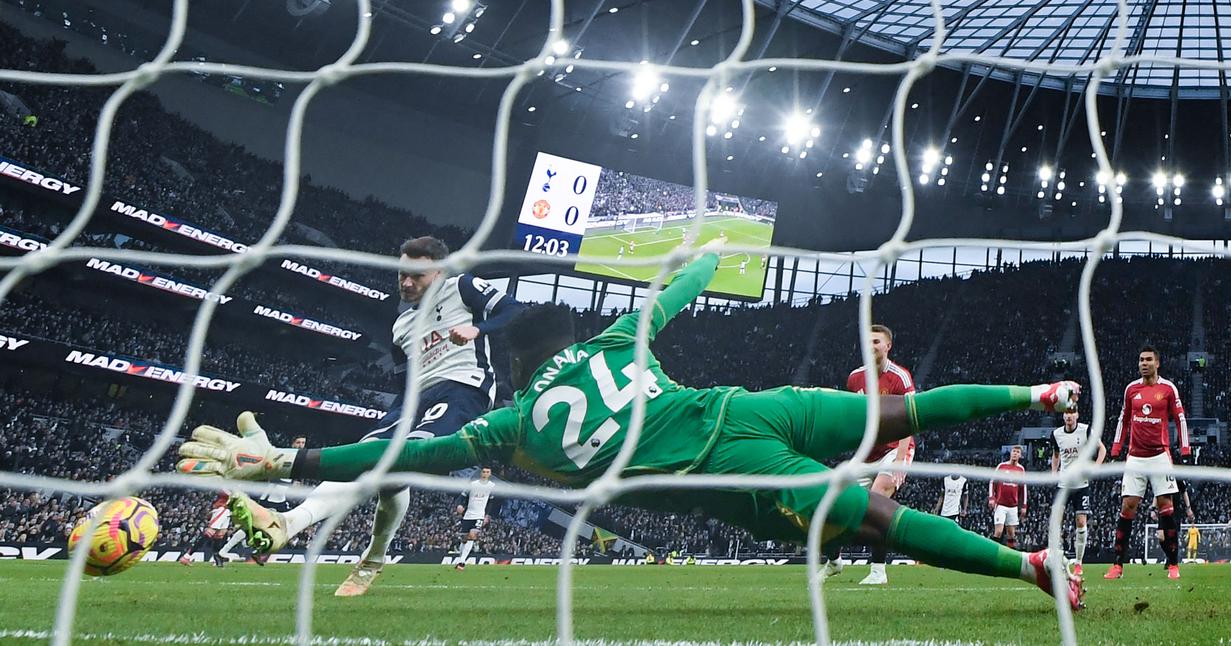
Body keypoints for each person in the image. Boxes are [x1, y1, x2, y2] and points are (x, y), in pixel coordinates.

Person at [178, 246, 1084, 609]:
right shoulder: (614, 335)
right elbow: (671, 296)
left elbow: (400, 454)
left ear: (519, 363)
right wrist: (712, 252)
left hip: (730, 471)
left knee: (871, 520)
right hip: (750, 404)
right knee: (904, 409)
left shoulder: (510, 426)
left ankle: (1030, 567)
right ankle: (1038, 394)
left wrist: (292, 458)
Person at [225, 236, 523, 596]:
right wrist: (396, 415)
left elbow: (514, 310)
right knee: (370, 464)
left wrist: (479, 328)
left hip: (464, 387)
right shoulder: (401, 326)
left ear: (439, 271)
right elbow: (404, 379)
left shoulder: (462, 286)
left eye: (418, 275)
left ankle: (316, 516)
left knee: (400, 458)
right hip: (413, 400)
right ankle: (291, 526)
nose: (407, 282)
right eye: (403, 275)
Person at [822, 324, 916, 586]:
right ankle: (834, 561)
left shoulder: (900, 377)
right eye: (867, 341)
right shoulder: (855, 378)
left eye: (876, 341)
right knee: (832, 503)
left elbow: (911, 419)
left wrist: (899, 458)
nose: (871, 345)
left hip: (895, 449)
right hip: (867, 453)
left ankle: (878, 571)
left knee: (876, 501)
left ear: (887, 346)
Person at [1104, 346, 1189, 581]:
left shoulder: (1168, 388)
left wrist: (1185, 449)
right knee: (1127, 506)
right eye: (1141, 359)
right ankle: (1117, 566)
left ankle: (1173, 565)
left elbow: (1180, 419)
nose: (1144, 363)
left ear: (1157, 363)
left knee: (1166, 507)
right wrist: (1115, 448)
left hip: (1160, 456)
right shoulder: (1131, 389)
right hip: (1135, 457)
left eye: (1148, 360)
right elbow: (1124, 419)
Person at [217, 435, 307, 565]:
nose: (300, 445)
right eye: (298, 442)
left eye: (303, 442)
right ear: (292, 443)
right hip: (269, 498)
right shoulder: (284, 455)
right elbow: (271, 472)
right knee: (255, 526)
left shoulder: (300, 460)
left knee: (280, 527)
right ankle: (224, 552)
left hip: (280, 500)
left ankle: (257, 552)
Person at [1049, 408, 1106, 576]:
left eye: (1072, 413)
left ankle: (1079, 563)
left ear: (1077, 415)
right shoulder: (1056, 434)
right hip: (1063, 484)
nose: (1069, 416)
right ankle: (1055, 558)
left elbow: (1102, 449)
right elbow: (1056, 455)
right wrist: (1054, 472)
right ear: (1063, 416)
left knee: (1081, 522)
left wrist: (1096, 467)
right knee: (1056, 521)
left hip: (1082, 485)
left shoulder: (1086, 430)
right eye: (1066, 413)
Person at [453, 467, 495, 570]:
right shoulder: (473, 485)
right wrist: (459, 505)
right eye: (484, 472)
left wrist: (487, 515)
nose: (485, 474)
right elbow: (462, 496)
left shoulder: (492, 486)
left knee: (472, 536)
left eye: (487, 472)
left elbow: (491, 502)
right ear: (481, 473)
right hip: (468, 514)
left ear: (490, 474)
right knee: (464, 539)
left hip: (479, 515)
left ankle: (462, 562)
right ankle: (460, 559)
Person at [989, 446, 1027, 549]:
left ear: (1020, 455)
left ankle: (1011, 557)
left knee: (1011, 534)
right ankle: (992, 554)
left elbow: (1023, 488)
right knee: (999, 531)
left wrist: (1024, 506)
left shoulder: (1021, 469)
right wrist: (992, 498)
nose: (1015, 453)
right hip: (1001, 504)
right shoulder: (1001, 466)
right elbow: (992, 481)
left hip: (1013, 506)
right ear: (1010, 453)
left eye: (1017, 452)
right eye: (1014, 451)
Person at [180, 493, 230, 567]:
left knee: (219, 536)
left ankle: (216, 560)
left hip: (228, 510)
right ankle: (186, 556)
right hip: (222, 508)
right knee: (209, 533)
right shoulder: (226, 486)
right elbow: (224, 492)